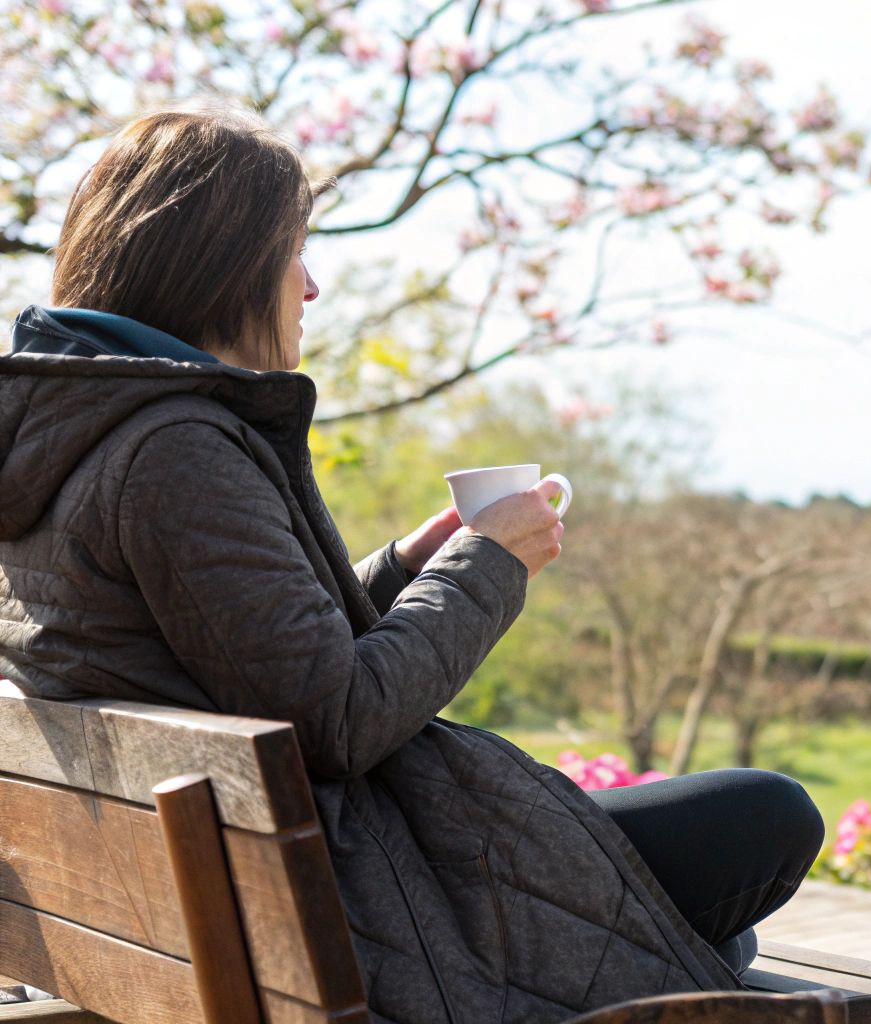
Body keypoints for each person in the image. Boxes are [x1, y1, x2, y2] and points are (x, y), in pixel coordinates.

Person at [0, 106, 823, 1024]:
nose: (308, 286)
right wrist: (491, 565)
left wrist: (403, 567)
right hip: (348, 903)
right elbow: (339, 721)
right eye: (294, 251)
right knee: (766, 819)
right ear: (220, 260)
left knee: (695, 922)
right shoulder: (172, 449)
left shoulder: (66, 437)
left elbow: (234, 658)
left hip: (217, 901)